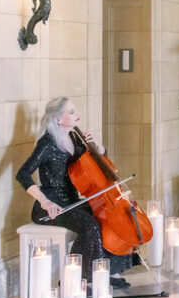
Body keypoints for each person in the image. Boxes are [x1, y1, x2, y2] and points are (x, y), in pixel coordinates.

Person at [16, 97, 138, 286]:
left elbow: (100, 163)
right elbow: (22, 174)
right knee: (90, 225)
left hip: (72, 201)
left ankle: (111, 270)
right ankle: (76, 278)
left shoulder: (74, 138)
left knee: (107, 217)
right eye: (71, 112)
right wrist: (45, 201)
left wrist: (96, 146)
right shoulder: (47, 144)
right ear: (58, 119)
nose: (77, 115)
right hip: (51, 207)